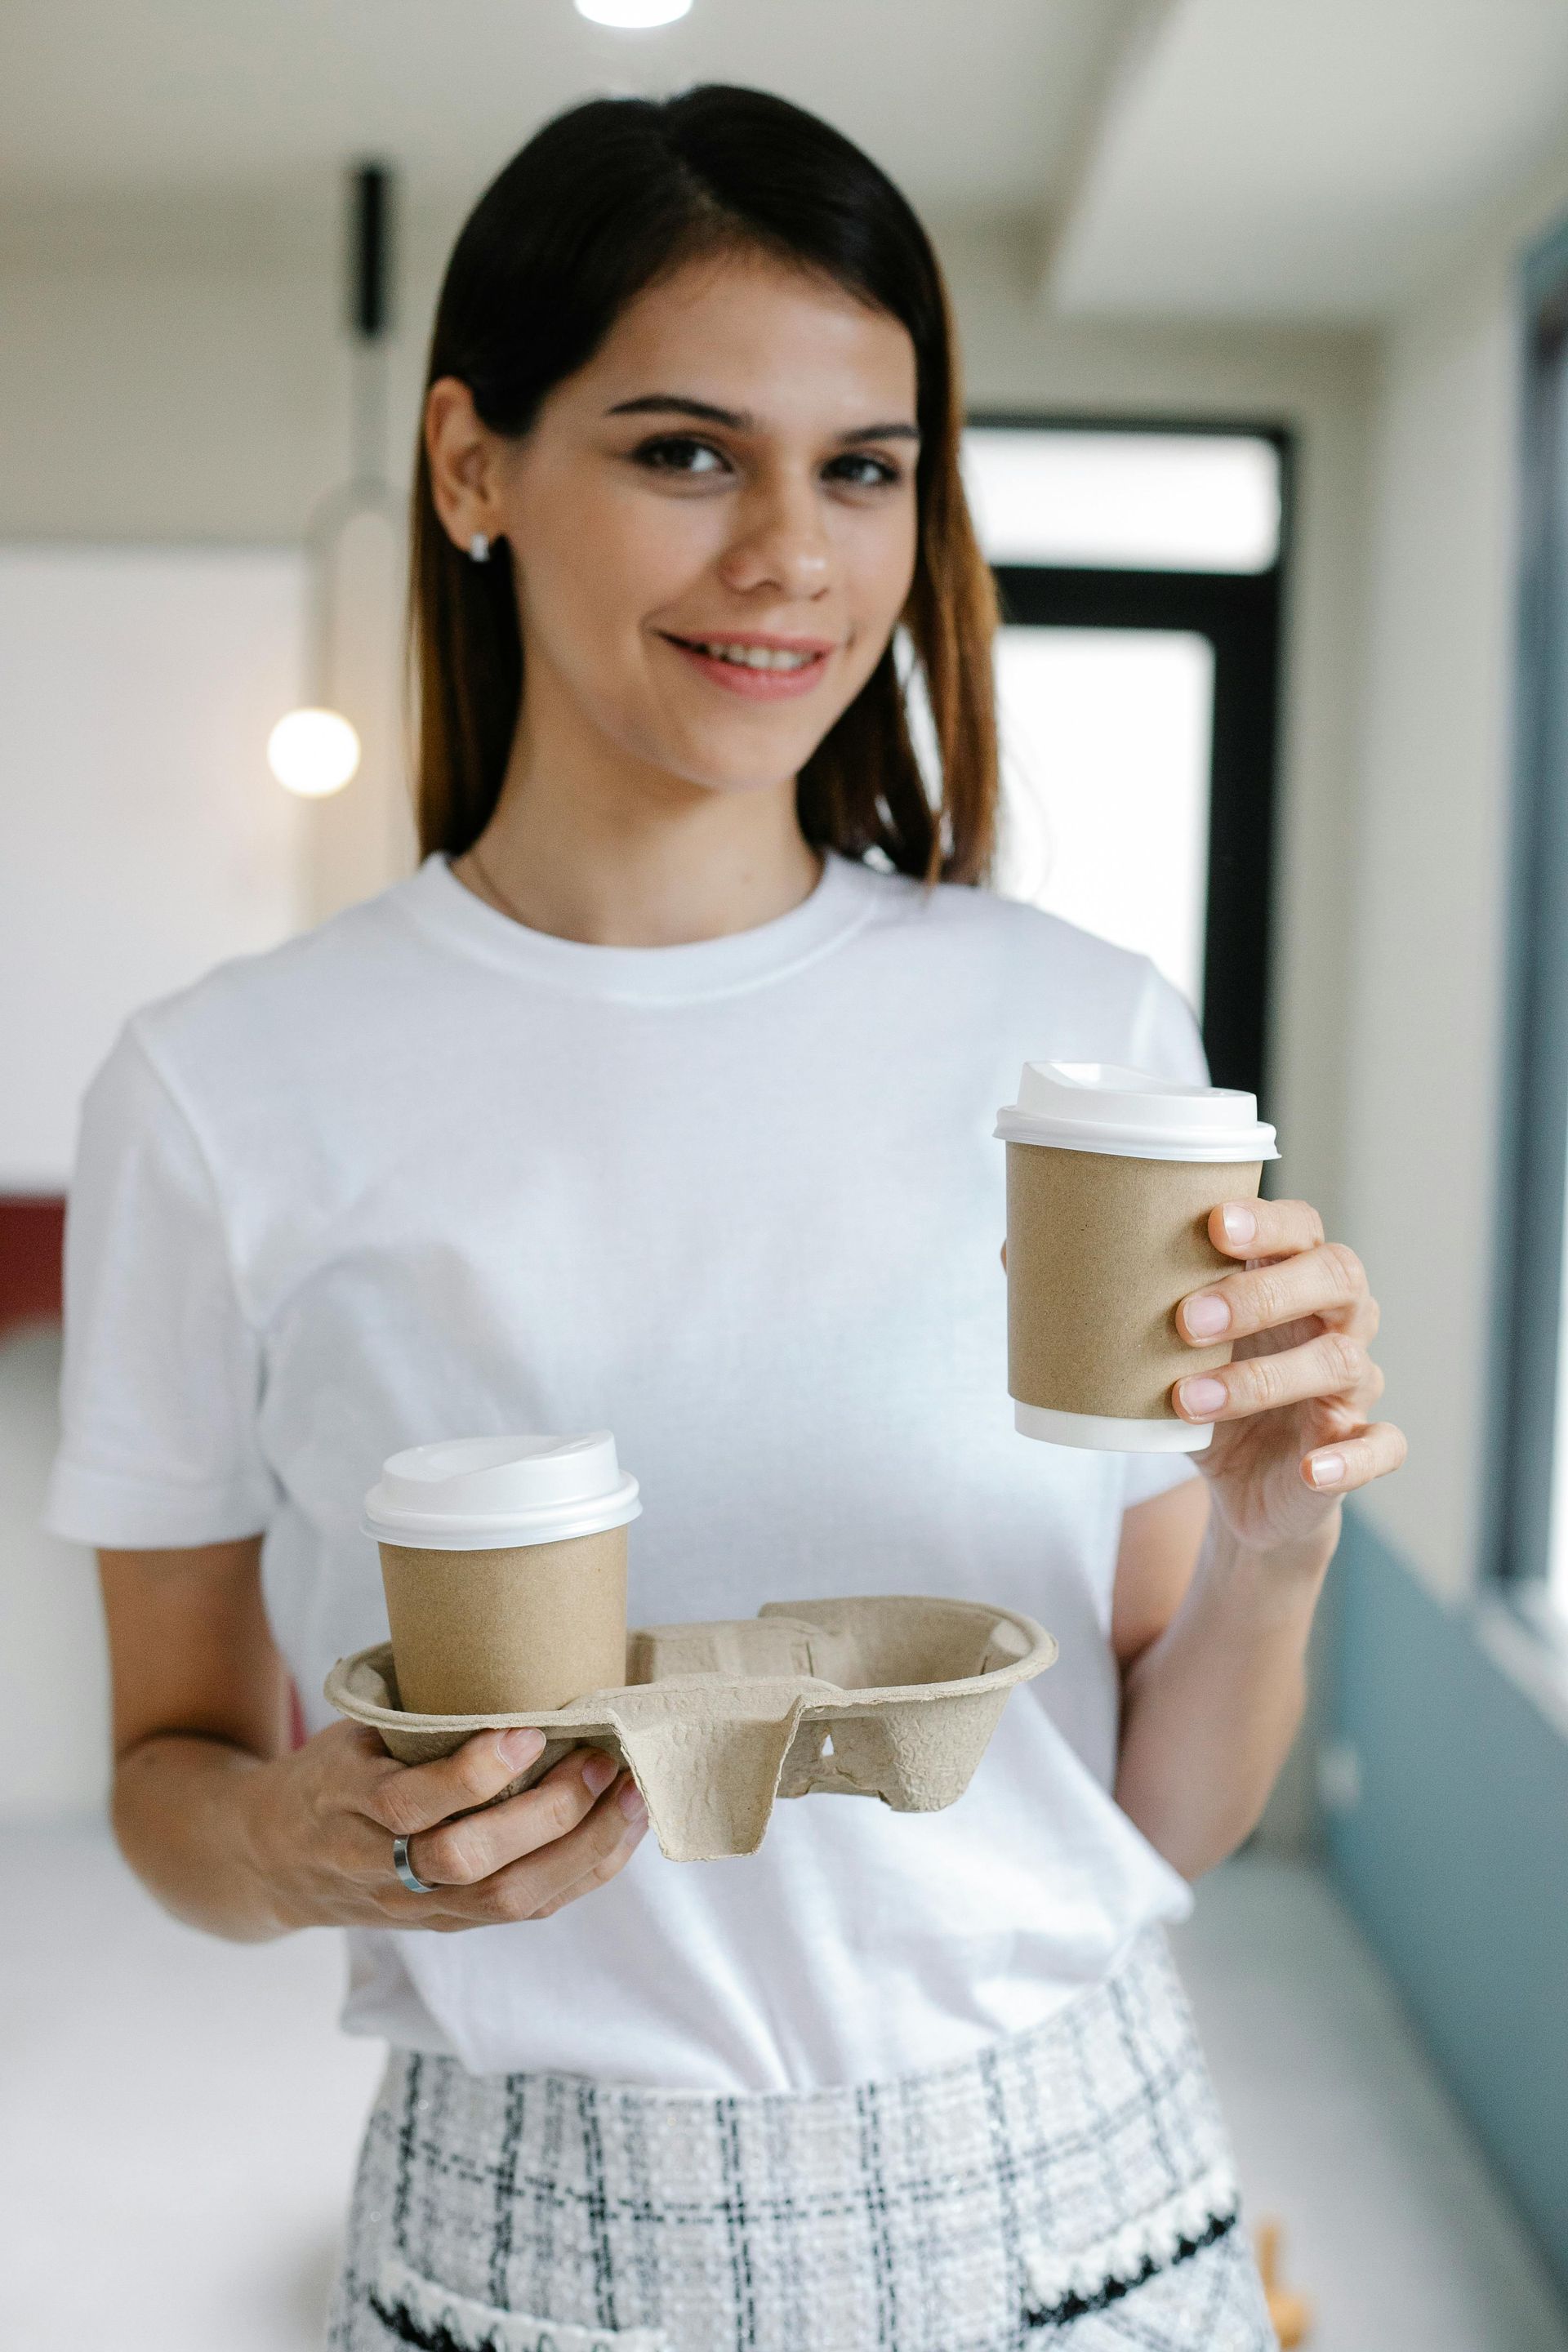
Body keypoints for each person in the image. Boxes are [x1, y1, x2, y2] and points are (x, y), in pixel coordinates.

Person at [47, 86, 1404, 2352]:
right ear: (474, 467)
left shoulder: (1079, 1040)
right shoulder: (222, 1092)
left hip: (1088, 2212)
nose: (795, 551)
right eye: (688, 452)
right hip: (526, 2248)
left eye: (863, 467)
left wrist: (1274, 1542)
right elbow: (166, 1786)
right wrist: (299, 1843)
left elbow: (1156, 1822)